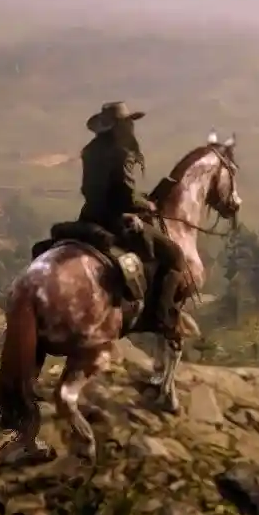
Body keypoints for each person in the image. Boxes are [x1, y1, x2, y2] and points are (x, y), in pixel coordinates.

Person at [77, 101, 188, 338]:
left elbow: (89, 190)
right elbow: (127, 197)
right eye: (128, 123)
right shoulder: (122, 153)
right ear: (119, 127)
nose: (131, 128)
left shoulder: (89, 151)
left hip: (89, 217)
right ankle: (160, 318)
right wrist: (147, 204)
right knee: (174, 256)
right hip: (115, 221)